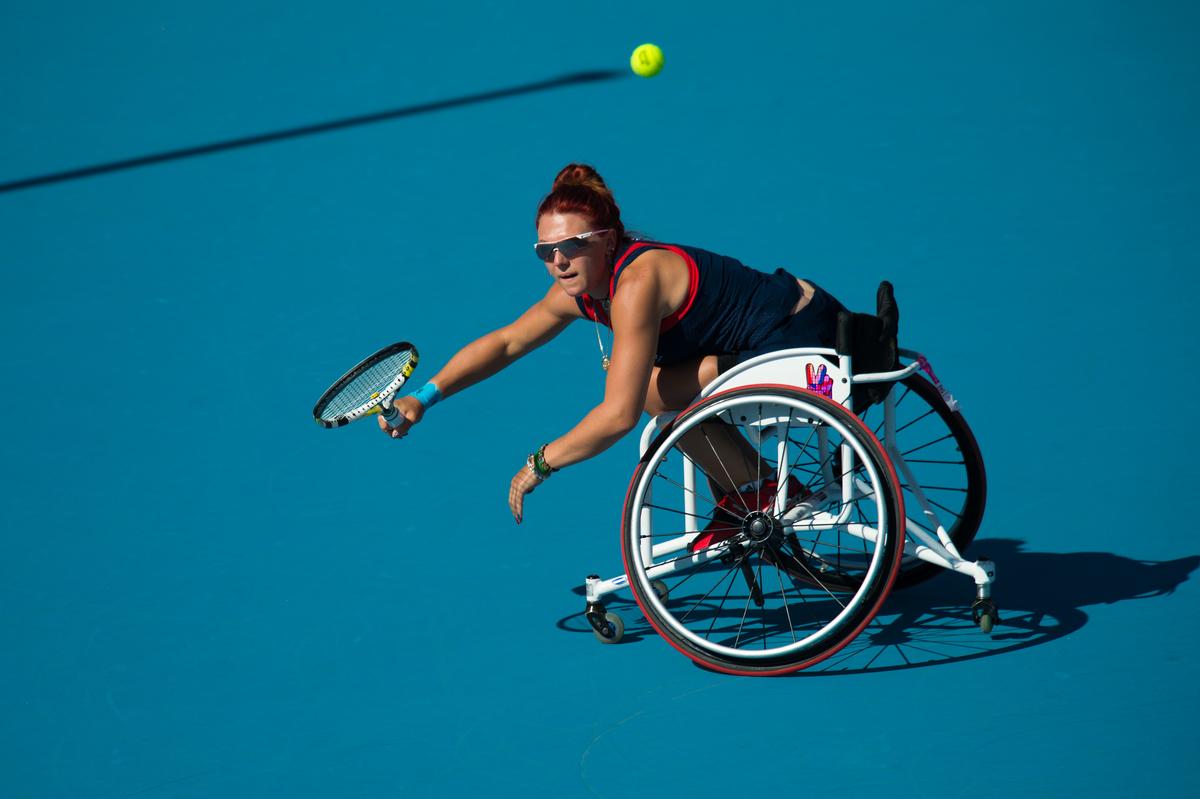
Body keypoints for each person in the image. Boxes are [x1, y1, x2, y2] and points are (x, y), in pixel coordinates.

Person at [379, 163, 847, 526]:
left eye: (573, 245)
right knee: (647, 385)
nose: (559, 261)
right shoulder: (584, 287)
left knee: (641, 390)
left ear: (607, 241)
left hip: (800, 335)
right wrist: (424, 397)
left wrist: (541, 462)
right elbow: (507, 342)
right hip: (778, 333)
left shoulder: (637, 284)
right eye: (545, 251)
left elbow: (618, 415)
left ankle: (761, 491)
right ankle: (754, 489)